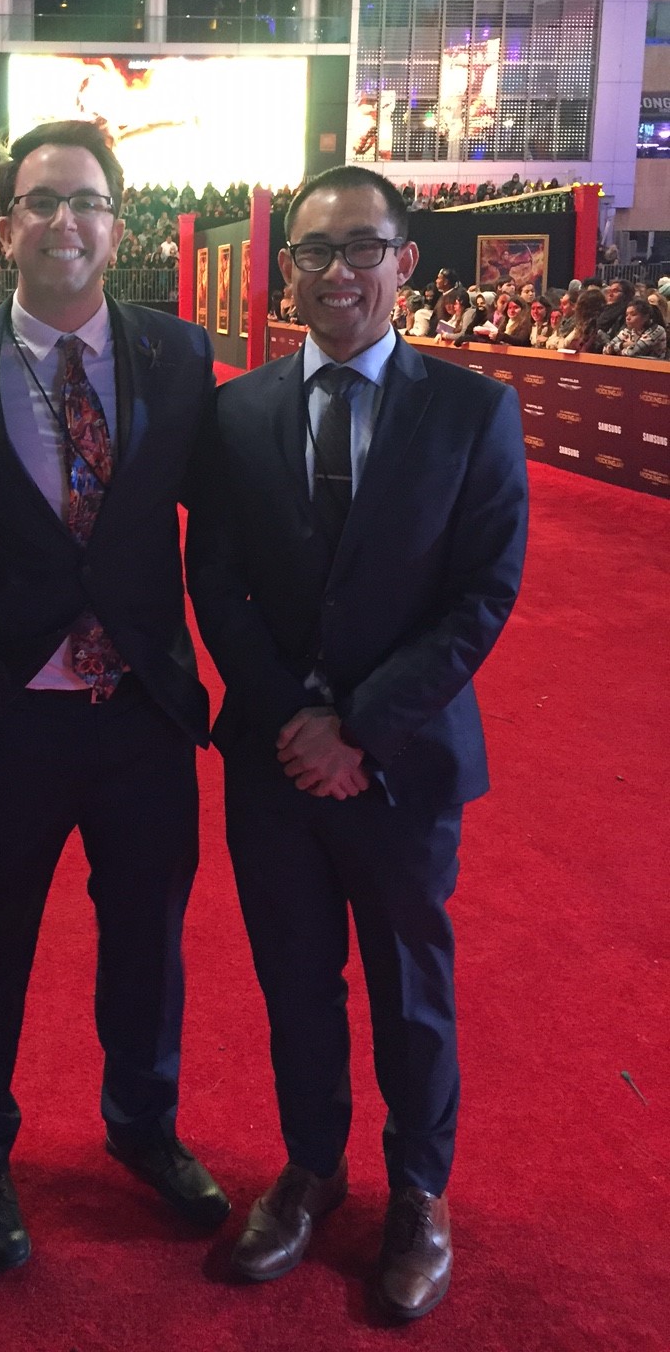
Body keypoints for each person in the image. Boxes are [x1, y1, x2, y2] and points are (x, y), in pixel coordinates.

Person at [187, 165, 528, 1324]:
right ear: (285, 269)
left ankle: (420, 1194)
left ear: (405, 262)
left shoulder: (473, 411)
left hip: (404, 765)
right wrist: (296, 722)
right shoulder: (234, 414)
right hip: (276, 764)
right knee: (295, 984)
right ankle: (312, 1171)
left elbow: (483, 593)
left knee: (410, 992)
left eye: (361, 249)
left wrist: (361, 731)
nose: (338, 273)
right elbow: (216, 582)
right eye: (314, 252)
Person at [0, 120, 227, 1275]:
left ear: (118, 221)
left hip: (143, 709)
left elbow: (220, 529)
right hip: (9, 712)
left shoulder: (180, 357)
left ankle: (143, 1124)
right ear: (6, 223)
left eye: (86, 201)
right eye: (41, 201)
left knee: (148, 938)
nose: (65, 223)